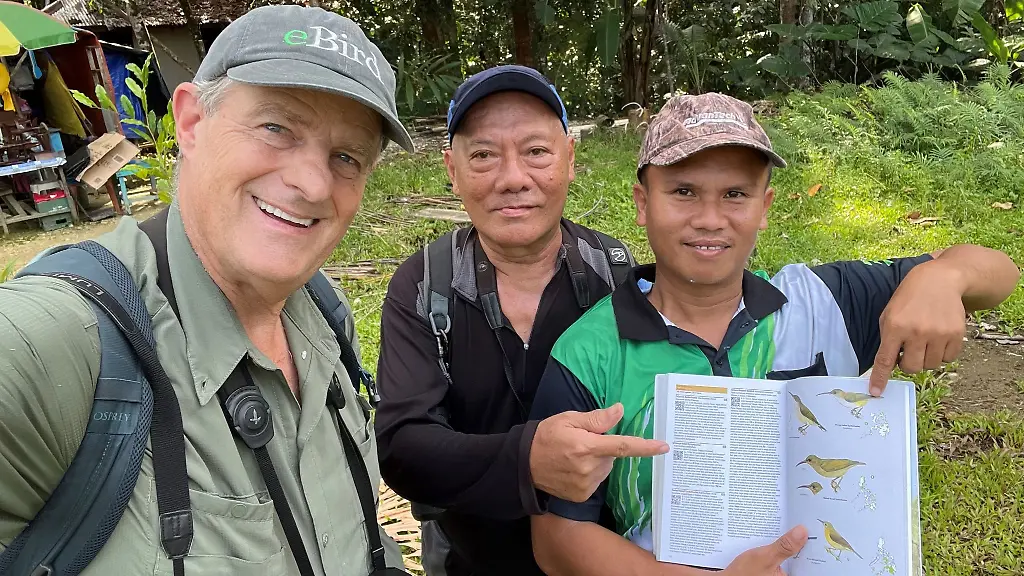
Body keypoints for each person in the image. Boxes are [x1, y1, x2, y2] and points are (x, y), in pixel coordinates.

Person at [528, 92, 1021, 575]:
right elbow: (557, 538)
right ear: (642, 202)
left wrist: (942, 277)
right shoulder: (590, 350)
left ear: (765, 207)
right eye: (683, 191)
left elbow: (999, 273)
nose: (709, 218)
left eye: (735, 195)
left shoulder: (822, 302)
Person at [0, 6, 415, 575]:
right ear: (192, 122)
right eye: (276, 127)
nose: (313, 183)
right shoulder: (58, 342)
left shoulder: (324, 314)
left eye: (346, 157)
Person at [373, 65, 670, 576]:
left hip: (600, 558)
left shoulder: (612, 271)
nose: (513, 179)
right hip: (472, 559)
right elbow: (404, 448)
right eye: (484, 155)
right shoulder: (424, 286)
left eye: (536, 151)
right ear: (452, 168)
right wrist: (528, 461)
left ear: (570, 160)